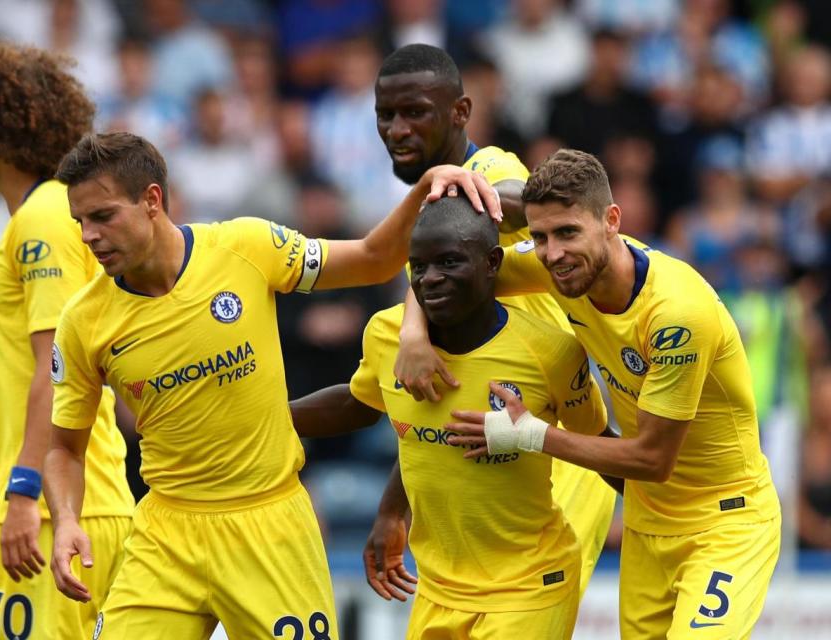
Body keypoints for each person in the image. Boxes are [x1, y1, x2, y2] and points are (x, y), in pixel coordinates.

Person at [43, 131, 498, 638]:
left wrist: (424, 189)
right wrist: (65, 521)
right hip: (166, 532)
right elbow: (64, 448)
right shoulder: (83, 321)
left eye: (103, 216)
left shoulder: (244, 247)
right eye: (79, 222)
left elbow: (373, 258)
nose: (89, 236)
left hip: (270, 522)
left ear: (152, 200)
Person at [405, 149, 780, 638]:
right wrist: (413, 332)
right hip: (650, 522)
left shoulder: (676, 315)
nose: (553, 253)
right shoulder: (562, 270)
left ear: (612, 221)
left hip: (724, 521)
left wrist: (530, 435)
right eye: (539, 237)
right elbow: (451, 269)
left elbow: (652, 460)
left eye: (567, 233)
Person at [290, 195, 616, 638]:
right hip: (438, 589)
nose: (431, 280)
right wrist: (390, 513)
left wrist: (672, 507)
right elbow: (365, 407)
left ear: (491, 263)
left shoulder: (551, 353)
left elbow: (601, 445)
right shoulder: (388, 337)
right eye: (419, 267)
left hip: (529, 587)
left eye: (449, 262)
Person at [373, 42, 615, 598]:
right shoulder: (434, 212)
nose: (397, 129)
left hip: (555, 455)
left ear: (460, 113)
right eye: (386, 115)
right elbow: (442, 392)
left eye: (415, 112)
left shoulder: (487, 169)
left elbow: (521, 198)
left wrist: (411, 327)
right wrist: (395, 506)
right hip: (492, 449)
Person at [0, 40, 134, 640]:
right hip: (55, 503)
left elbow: (53, 369)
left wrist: (24, 494)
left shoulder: (44, 218)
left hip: (65, 508)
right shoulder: (47, 216)